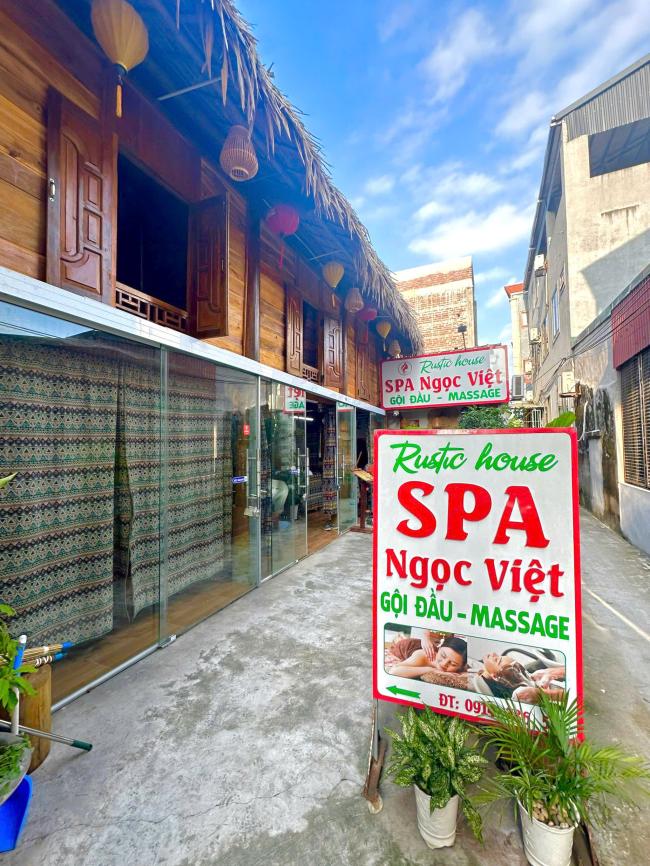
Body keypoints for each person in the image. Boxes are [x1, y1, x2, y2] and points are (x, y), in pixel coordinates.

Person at [387, 636, 468, 680]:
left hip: (420, 646)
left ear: (461, 666)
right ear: (439, 648)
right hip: (406, 646)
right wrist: (431, 670)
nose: (444, 664)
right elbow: (394, 671)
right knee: (398, 642)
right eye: (443, 656)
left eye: (453, 664)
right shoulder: (423, 656)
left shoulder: (462, 665)